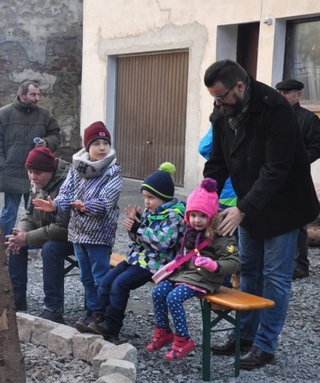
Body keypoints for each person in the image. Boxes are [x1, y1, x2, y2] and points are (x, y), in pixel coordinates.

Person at [203, 59, 320, 369]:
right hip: (250, 202)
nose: (218, 102)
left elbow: (276, 169)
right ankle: (244, 335)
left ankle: (265, 345)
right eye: (213, 97)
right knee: (249, 270)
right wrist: (205, 197)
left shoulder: (275, 109)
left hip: (284, 204)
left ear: (240, 86)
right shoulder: (223, 113)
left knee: (275, 277)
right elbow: (217, 161)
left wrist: (242, 208)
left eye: (222, 95)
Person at [33, 121, 122, 332]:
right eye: (97, 143)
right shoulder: (77, 168)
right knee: (86, 277)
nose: (102, 148)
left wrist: (86, 207)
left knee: (100, 277)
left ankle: (104, 317)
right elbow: (66, 192)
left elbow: (107, 200)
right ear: (88, 147)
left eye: (105, 143)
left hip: (99, 235)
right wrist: (55, 204)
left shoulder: (113, 171)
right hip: (78, 234)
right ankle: (92, 311)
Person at [87, 162, 186, 341]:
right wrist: (134, 229)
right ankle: (97, 316)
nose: (146, 201)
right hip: (137, 258)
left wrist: (138, 228)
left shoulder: (174, 215)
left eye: (151, 197)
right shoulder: (151, 211)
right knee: (106, 281)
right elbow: (140, 239)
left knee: (120, 284)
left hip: (156, 263)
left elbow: (164, 243)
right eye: (145, 197)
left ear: (164, 197)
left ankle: (112, 325)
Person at [147, 178, 240, 360]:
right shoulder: (190, 230)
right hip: (187, 275)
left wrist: (214, 265)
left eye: (202, 216)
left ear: (212, 216)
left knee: (174, 298)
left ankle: (183, 339)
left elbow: (234, 262)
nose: (197, 220)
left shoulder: (221, 234)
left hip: (206, 278)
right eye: (193, 215)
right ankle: (164, 330)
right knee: (158, 292)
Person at [6, 147, 73, 322]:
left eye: (37, 173)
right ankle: (17, 299)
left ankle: (53, 308)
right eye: (29, 172)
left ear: (51, 171)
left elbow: (64, 227)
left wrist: (27, 237)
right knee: (15, 241)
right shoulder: (37, 183)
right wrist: (21, 232)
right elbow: (29, 213)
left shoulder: (67, 184)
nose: (32, 177)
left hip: (72, 237)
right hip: (48, 231)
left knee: (50, 249)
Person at [0, 81, 61, 240]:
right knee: (9, 212)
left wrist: (47, 143)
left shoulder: (45, 115)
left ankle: (31, 243)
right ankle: (6, 244)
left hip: (37, 172)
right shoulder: (3, 114)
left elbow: (56, 134)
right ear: (22, 95)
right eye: (33, 94)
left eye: (38, 95)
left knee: (37, 211)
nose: (36, 98)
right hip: (11, 171)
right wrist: (0, 165)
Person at [275, 79, 320, 280]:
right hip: (271, 175)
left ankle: (300, 265)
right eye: (280, 92)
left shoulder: (309, 119)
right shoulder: (271, 116)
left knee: (298, 221)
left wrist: (298, 163)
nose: (282, 95)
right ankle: (277, 261)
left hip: (296, 177)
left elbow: (317, 148)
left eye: (287, 92)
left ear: (298, 95)